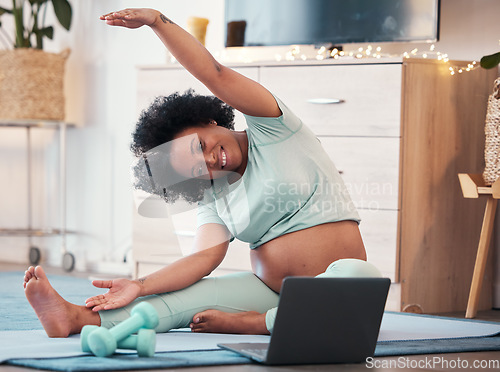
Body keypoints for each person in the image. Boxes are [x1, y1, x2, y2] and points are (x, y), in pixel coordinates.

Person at [23, 8, 381, 339]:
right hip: (272, 292)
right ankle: (76, 319)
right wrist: (139, 284)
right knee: (186, 297)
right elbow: (202, 259)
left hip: (335, 290)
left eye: (199, 146)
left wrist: (157, 22)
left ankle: (259, 325)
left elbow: (215, 73)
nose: (210, 162)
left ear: (208, 121)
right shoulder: (215, 191)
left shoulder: (274, 129)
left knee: (361, 277)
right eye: (198, 170)